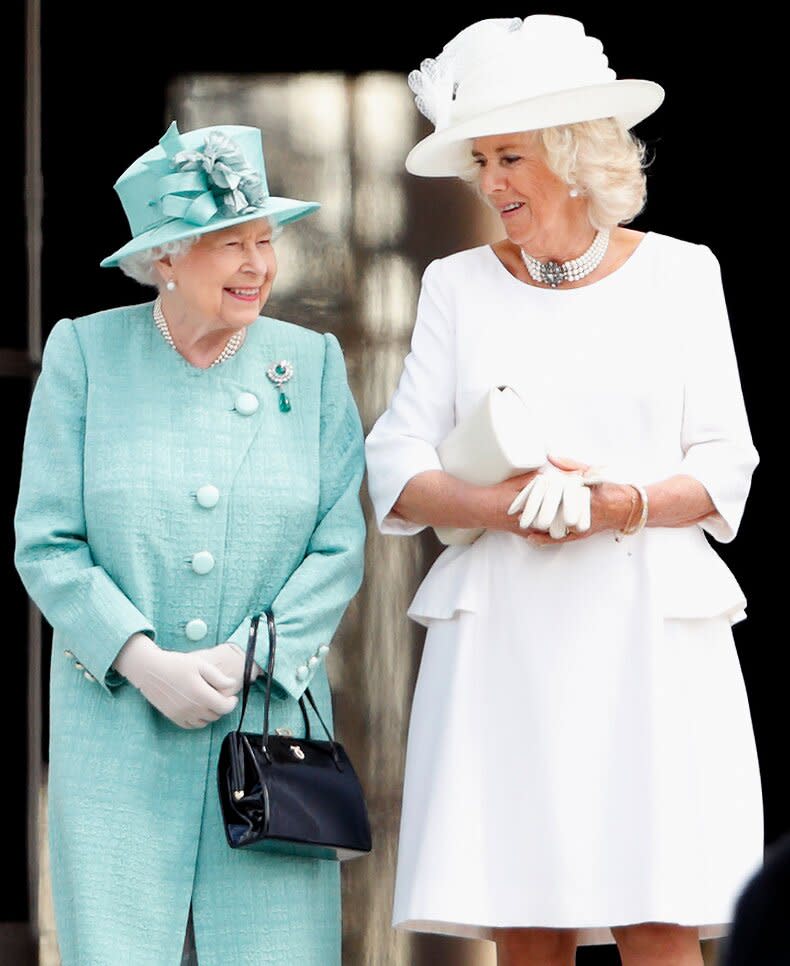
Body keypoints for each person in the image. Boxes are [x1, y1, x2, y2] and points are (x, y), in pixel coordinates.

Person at [365, 15, 762, 966]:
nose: (491, 183)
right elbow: (397, 466)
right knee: (525, 916)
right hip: (510, 634)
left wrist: (613, 504)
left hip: (647, 635)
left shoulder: (683, 274)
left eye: (510, 157)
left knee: (658, 914)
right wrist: (506, 508)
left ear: (577, 157)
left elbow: (724, 463)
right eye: (482, 161)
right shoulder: (456, 286)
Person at [14, 121, 366, 966]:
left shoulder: (311, 364)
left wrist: (252, 657)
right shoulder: (86, 353)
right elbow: (46, 540)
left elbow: (339, 542)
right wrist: (142, 660)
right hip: (119, 732)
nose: (258, 265)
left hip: (266, 728)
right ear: (165, 257)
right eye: (230, 246)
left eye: (265, 241)